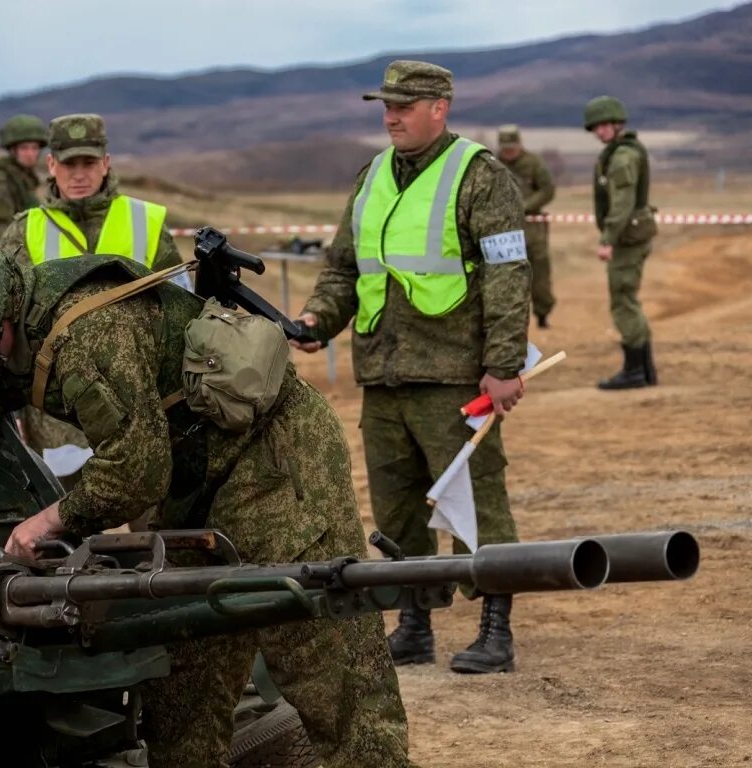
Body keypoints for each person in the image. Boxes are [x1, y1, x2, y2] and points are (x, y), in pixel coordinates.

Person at [0, 237, 412, 767]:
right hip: (193, 477)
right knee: (185, 666)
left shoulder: (88, 335)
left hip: (274, 458)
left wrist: (48, 522)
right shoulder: (1, 331)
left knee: (317, 643)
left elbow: (135, 474)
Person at [291, 60, 531, 675]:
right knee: (396, 509)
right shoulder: (371, 176)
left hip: (454, 376)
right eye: (385, 107)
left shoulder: (480, 176)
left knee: (476, 502)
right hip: (384, 373)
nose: (391, 116)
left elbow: (508, 275)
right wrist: (319, 319)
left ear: (439, 108)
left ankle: (495, 628)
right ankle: (415, 622)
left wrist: (503, 364)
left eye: (404, 105)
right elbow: (345, 269)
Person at [0, 113, 191, 485]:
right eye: (69, 164)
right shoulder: (24, 231)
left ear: (106, 162)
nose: (79, 174)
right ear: (51, 165)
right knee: (65, 530)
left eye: (88, 163)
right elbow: (5, 329)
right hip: (58, 418)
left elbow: (183, 309)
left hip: (144, 405)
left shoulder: (144, 221)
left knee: (160, 532)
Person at [584, 95, 658, 390]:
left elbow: (622, 204)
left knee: (623, 302)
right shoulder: (619, 152)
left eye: (603, 126)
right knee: (629, 301)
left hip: (627, 240)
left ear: (617, 124)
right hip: (631, 237)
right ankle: (645, 369)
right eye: (595, 128)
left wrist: (608, 239)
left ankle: (634, 371)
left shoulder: (623, 157)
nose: (599, 132)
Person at [497, 124, 556, 328]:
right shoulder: (493, 164)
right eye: (505, 148)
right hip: (503, 229)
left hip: (533, 229)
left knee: (539, 273)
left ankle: (542, 313)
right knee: (505, 275)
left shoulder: (534, 163)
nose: (509, 152)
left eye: (512, 147)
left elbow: (547, 190)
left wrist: (526, 206)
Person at [0, 114, 48, 246]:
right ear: (13, 150)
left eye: (34, 148)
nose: (30, 154)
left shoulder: (25, 178)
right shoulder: (1, 181)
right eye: (24, 148)